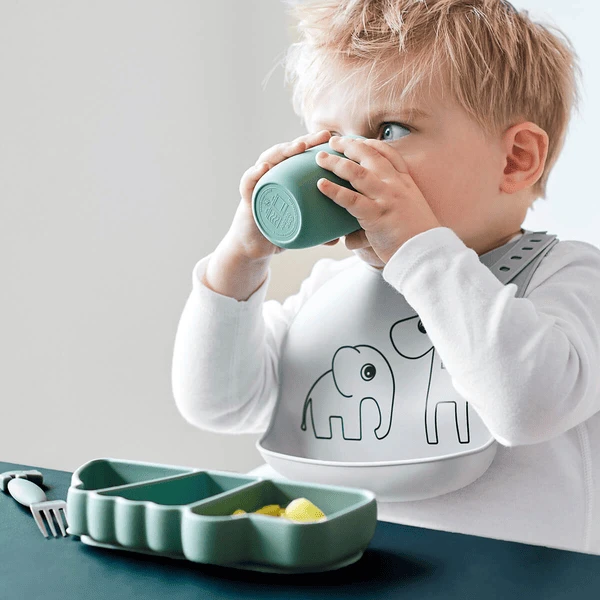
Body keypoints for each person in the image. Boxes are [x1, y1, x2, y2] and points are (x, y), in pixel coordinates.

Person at [171, 0, 600, 554]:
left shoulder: (569, 278)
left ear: (515, 159)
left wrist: (419, 251)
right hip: (335, 574)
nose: (348, 163)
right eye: (329, 137)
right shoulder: (329, 290)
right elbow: (217, 404)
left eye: (389, 130)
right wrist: (240, 258)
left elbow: (526, 407)